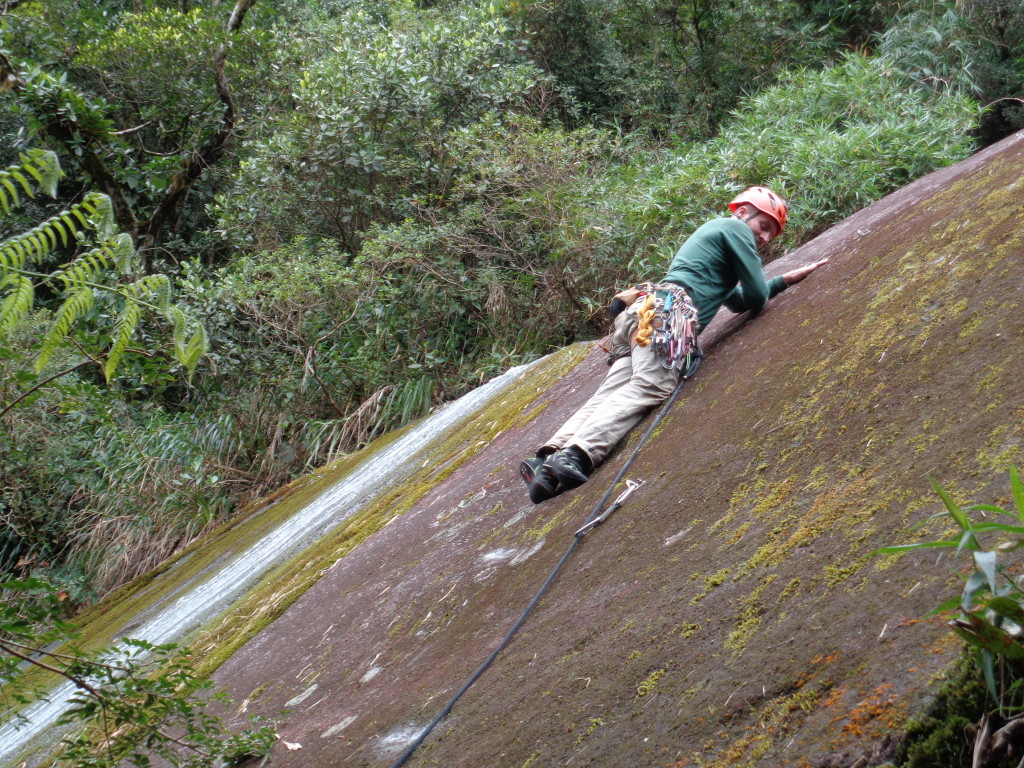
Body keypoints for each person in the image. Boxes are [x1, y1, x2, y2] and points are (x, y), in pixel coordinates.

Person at [520, 186, 828, 504]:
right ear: (742, 212)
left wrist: (782, 281)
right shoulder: (735, 228)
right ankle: (577, 454)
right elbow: (755, 296)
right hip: (665, 318)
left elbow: (737, 301)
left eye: (770, 236)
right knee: (652, 385)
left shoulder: (716, 244)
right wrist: (766, 287)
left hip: (641, 314)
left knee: (615, 389)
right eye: (763, 226)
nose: (763, 238)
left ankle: (546, 460)